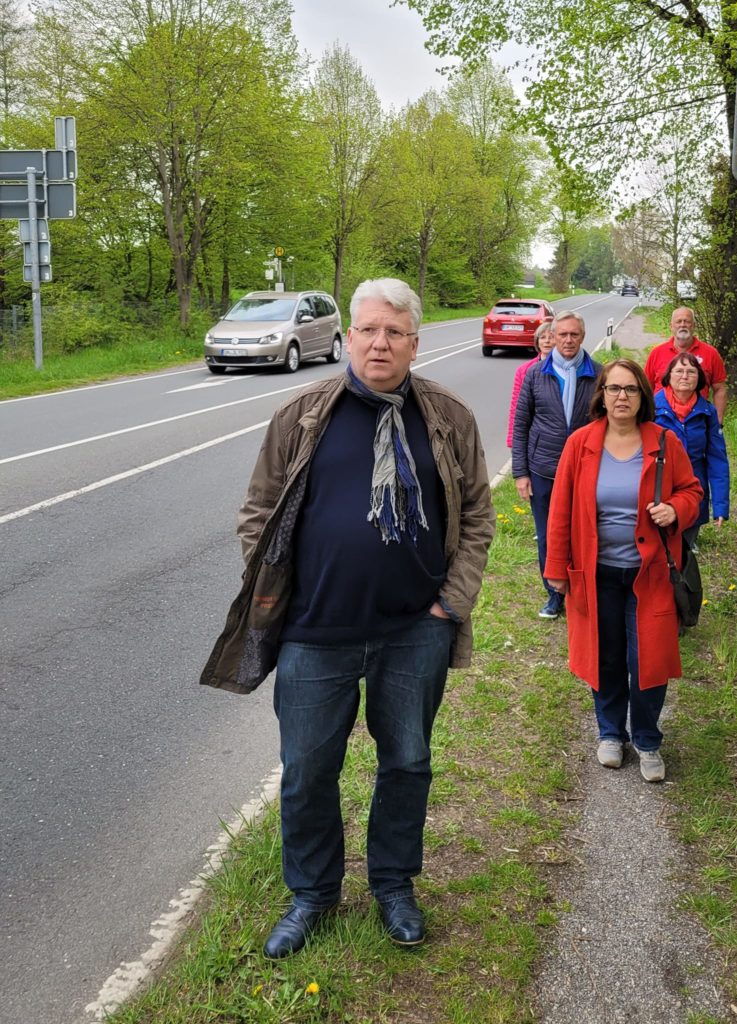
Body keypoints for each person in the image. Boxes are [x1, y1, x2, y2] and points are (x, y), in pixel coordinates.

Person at [200, 278, 495, 957]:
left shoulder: (446, 416)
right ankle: (312, 892)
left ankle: (393, 883)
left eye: (394, 332)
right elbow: (258, 512)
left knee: (408, 762)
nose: (380, 343)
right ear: (349, 336)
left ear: (415, 343)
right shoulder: (303, 414)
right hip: (314, 632)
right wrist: (286, 591)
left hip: (414, 631)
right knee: (306, 769)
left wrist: (452, 603)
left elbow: (477, 514)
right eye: (368, 330)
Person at [544, 359, 702, 782]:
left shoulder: (664, 442)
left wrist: (675, 509)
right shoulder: (581, 443)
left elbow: (692, 491)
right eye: (613, 389)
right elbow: (559, 510)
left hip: (649, 574)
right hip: (595, 575)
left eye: (630, 390)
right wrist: (556, 569)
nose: (621, 397)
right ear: (601, 395)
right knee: (606, 655)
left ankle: (648, 739)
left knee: (648, 658)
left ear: (642, 397)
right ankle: (611, 733)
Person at [511, 310, 599, 619]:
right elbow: (521, 424)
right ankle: (553, 595)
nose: (568, 340)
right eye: (562, 334)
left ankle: (582, 592)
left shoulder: (598, 374)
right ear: (554, 336)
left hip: (585, 470)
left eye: (574, 334)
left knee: (584, 533)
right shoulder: (536, 374)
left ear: (583, 337)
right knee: (548, 536)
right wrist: (520, 472)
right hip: (543, 470)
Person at [654, 352, 730, 552]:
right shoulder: (651, 408)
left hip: (693, 486)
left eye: (691, 371)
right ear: (668, 376)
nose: (685, 376)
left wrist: (721, 506)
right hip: (658, 483)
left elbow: (717, 459)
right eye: (679, 370)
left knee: (684, 552)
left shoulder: (708, 412)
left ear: (700, 378)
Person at [643, 306, 728, 422]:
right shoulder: (657, 353)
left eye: (687, 321)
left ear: (693, 326)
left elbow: (720, 389)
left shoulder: (711, 353)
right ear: (671, 326)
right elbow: (645, 388)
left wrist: (718, 421)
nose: (682, 325)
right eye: (678, 321)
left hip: (698, 421)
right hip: (661, 420)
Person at [506, 321, 555, 448]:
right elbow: (516, 405)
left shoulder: (564, 369)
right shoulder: (524, 370)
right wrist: (512, 439)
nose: (547, 341)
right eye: (542, 337)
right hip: (532, 433)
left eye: (551, 337)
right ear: (537, 341)